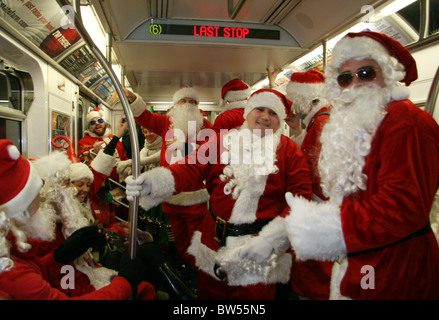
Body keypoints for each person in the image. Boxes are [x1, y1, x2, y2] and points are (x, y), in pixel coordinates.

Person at [284, 31, 439, 299]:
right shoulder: (367, 124)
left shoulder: (406, 121)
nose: (355, 83)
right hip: (367, 262)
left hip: (397, 270)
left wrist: (317, 227)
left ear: (388, 74)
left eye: (366, 73)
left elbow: (401, 208)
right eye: (345, 78)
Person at [125, 89, 312, 300]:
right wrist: (153, 183)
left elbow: (300, 200)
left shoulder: (289, 151)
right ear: (248, 111)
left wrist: (272, 240)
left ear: (279, 121)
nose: (265, 117)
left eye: (273, 112)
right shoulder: (221, 141)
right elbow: (190, 167)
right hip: (213, 243)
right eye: (260, 109)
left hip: (258, 250)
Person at [0, 139, 153, 300]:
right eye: (36, 192)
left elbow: (38, 270)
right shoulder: (10, 272)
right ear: (22, 207)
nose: (74, 190)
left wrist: (58, 257)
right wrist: (124, 283)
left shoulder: (13, 247)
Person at [124, 86, 212, 270]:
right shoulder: (165, 123)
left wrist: (186, 146)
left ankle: (197, 273)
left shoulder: (205, 127)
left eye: (192, 101)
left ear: (197, 105)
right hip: (170, 196)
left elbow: (211, 153)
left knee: (198, 240)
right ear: (175, 105)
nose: (188, 105)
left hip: (195, 197)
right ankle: (186, 270)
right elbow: (145, 118)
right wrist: (133, 99)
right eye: (183, 101)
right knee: (179, 241)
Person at [283, 70, 333, 300]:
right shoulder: (320, 121)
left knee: (315, 279)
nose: (294, 106)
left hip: (319, 217)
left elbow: (318, 179)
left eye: (295, 100)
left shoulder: (321, 123)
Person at [78, 107, 128, 183]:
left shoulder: (112, 138)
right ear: (89, 127)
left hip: (123, 182)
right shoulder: (84, 142)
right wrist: (93, 152)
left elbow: (124, 158)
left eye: (100, 120)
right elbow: (85, 165)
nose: (97, 123)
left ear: (105, 123)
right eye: (92, 122)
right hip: (105, 186)